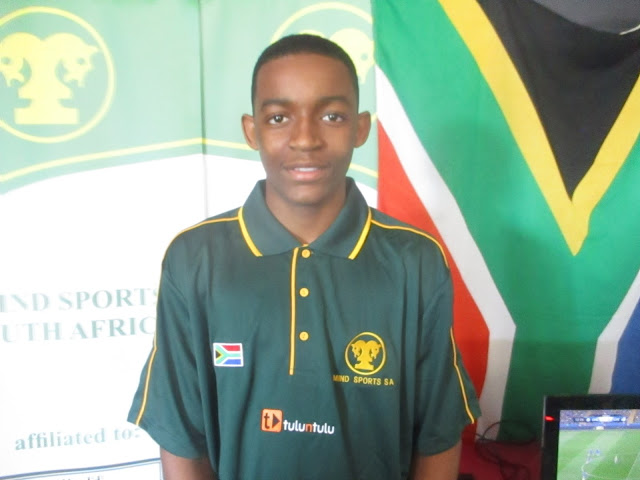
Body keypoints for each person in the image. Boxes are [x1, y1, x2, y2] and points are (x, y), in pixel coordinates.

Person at [128, 33, 480, 480]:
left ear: (360, 128)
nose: (306, 138)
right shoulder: (195, 259)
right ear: (252, 130)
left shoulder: (416, 260)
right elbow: (180, 440)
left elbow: (437, 435)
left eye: (331, 116)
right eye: (279, 118)